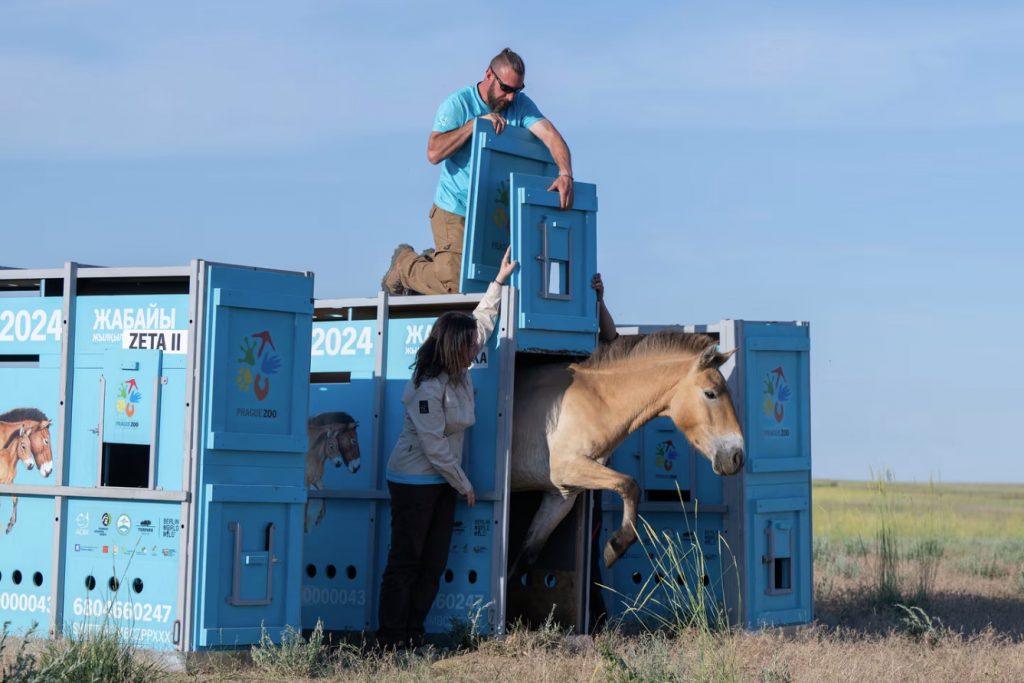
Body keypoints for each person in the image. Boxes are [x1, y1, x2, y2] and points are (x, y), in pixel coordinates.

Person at [376, 247, 518, 649]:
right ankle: (389, 639)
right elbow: (434, 446)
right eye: (471, 346)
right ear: (456, 348)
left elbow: (483, 322)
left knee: (434, 563)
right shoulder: (427, 386)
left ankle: (413, 633)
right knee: (406, 561)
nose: (478, 348)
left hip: (441, 482)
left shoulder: (459, 367)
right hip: (414, 481)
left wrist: (498, 282)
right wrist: (464, 485)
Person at [382, 48, 574, 296]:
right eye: (506, 88)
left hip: (491, 214)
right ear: (489, 75)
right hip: (454, 209)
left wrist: (565, 174)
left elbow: (551, 136)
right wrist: (474, 125)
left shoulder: (521, 106)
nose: (511, 97)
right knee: (456, 286)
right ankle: (404, 265)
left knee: (493, 283)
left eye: (517, 90)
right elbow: (434, 153)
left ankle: (439, 260)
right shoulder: (458, 104)